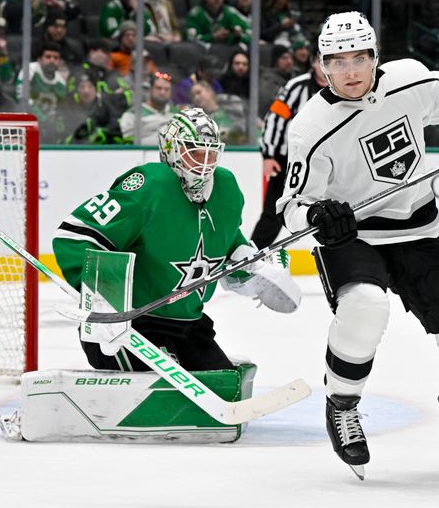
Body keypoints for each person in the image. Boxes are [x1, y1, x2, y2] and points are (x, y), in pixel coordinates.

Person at [276, 12, 439, 479]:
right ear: (322, 66)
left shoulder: (411, 79)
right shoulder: (310, 126)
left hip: (417, 231)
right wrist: (316, 216)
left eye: (360, 57)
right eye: (338, 60)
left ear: (376, 57)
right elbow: (292, 205)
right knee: (366, 306)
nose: (351, 71)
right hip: (353, 238)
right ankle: (342, 404)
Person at [53, 108, 300, 374]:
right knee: (164, 393)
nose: (204, 163)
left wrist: (249, 265)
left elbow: (227, 241)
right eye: (194, 152)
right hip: (132, 325)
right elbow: (75, 235)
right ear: (171, 149)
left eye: (211, 152)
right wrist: (100, 296)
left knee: (222, 388)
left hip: (190, 324)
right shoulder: (151, 185)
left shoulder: (226, 187)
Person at [250, 41, 326, 250]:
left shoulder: (344, 89)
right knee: (274, 213)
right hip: (289, 161)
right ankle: (251, 257)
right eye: (320, 60)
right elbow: (275, 119)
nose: (325, 66)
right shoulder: (296, 87)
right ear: (312, 63)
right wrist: (269, 155)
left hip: (331, 162)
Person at [120, 71, 178, 144]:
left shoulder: (177, 114)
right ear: (150, 89)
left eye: (166, 89)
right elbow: (127, 140)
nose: (162, 92)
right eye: (158, 88)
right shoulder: (133, 114)